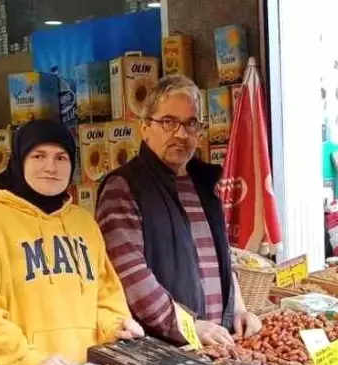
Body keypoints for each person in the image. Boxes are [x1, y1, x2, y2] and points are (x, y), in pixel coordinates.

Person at [0, 120, 143, 365]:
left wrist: (116, 327)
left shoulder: (84, 223)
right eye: (38, 156)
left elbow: (105, 295)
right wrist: (32, 360)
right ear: (20, 160)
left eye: (61, 157)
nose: (50, 167)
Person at [96, 75, 262, 348]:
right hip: (162, 350)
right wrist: (188, 325)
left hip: (217, 344)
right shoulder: (124, 187)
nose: (181, 134)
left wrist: (240, 310)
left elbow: (222, 258)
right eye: (169, 122)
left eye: (191, 123)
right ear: (145, 127)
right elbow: (131, 276)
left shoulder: (207, 181)